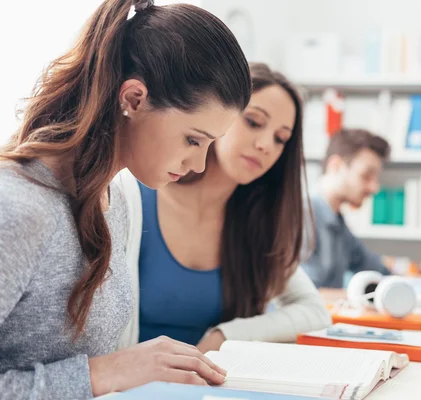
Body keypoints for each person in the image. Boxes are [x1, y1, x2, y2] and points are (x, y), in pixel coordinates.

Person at [0, 1, 252, 398]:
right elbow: (97, 373)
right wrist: (103, 374)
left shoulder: (113, 200)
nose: (200, 164)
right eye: (192, 139)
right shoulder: (17, 208)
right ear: (133, 99)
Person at [117, 63, 331, 353]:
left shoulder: (257, 224)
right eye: (254, 122)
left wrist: (226, 336)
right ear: (220, 114)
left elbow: (315, 313)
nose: (266, 144)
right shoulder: (131, 193)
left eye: (281, 138)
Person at [302, 128, 392, 288]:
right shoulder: (301, 216)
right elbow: (305, 295)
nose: (375, 187)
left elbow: (379, 271)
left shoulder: (338, 224)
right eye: (366, 175)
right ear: (335, 166)